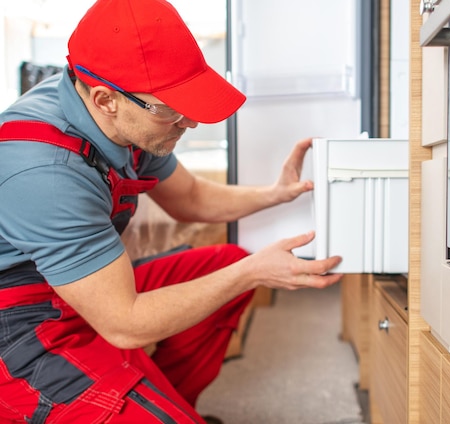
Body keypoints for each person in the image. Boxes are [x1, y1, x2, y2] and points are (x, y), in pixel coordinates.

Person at [0, 0, 343, 423]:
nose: (190, 122)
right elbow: (125, 322)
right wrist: (254, 272)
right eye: (169, 109)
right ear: (106, 100)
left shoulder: (125, 123)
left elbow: (191, 198)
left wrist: (276, 193)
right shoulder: (43, 172)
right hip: (16, 325)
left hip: (83, 291)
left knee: (228, 264)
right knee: (239, 271)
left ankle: (166, 402)